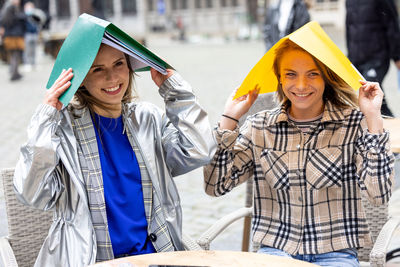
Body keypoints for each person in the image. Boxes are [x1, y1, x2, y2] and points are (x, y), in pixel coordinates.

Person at [13, 42, 216, 266]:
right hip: (91, 260)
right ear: (80, 79)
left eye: (119, 63)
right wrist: (46, 116)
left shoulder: (148, 119)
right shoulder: (64, 130)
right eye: (97, 69)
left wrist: (175, 90)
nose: (112, 77)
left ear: (129, 67)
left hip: (155, 257)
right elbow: (32, 193)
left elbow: (200, 149)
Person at [203, 40, 395, 266]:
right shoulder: (260, 126)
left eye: (313, 74)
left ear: (326, 77)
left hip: (336, 255)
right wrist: (229, 119)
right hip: (275, 253)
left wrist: (373, 118)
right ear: (280, 78)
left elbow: (379, 193)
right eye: (291, 74)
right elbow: (215, 186)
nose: (301, 85)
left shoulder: (352, 124)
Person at [346, 0, 400, 117]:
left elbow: (392, 25)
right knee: (373, 96)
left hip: (377, 57)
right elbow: (349, 27)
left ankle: (391, 122)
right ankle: (389, 123)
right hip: (357, 58)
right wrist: (350, 56)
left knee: (370, 92)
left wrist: (397, 56)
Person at [0, 0, 26, 81]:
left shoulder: (6, 7)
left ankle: (15, 72)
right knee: (16, 54)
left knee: (13, 55)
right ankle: (14, 73)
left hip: (10, 34)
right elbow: (11, 20)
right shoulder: (11, 7)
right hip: (14, 35)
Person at [23, 1, 46, 71]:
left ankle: (33, 64)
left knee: (34, 50)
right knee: (27, 51)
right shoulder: (24, 16)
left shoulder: (35, 15)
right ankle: (27, 64)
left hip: (34, 34)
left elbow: (41, 21)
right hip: (27, 34)